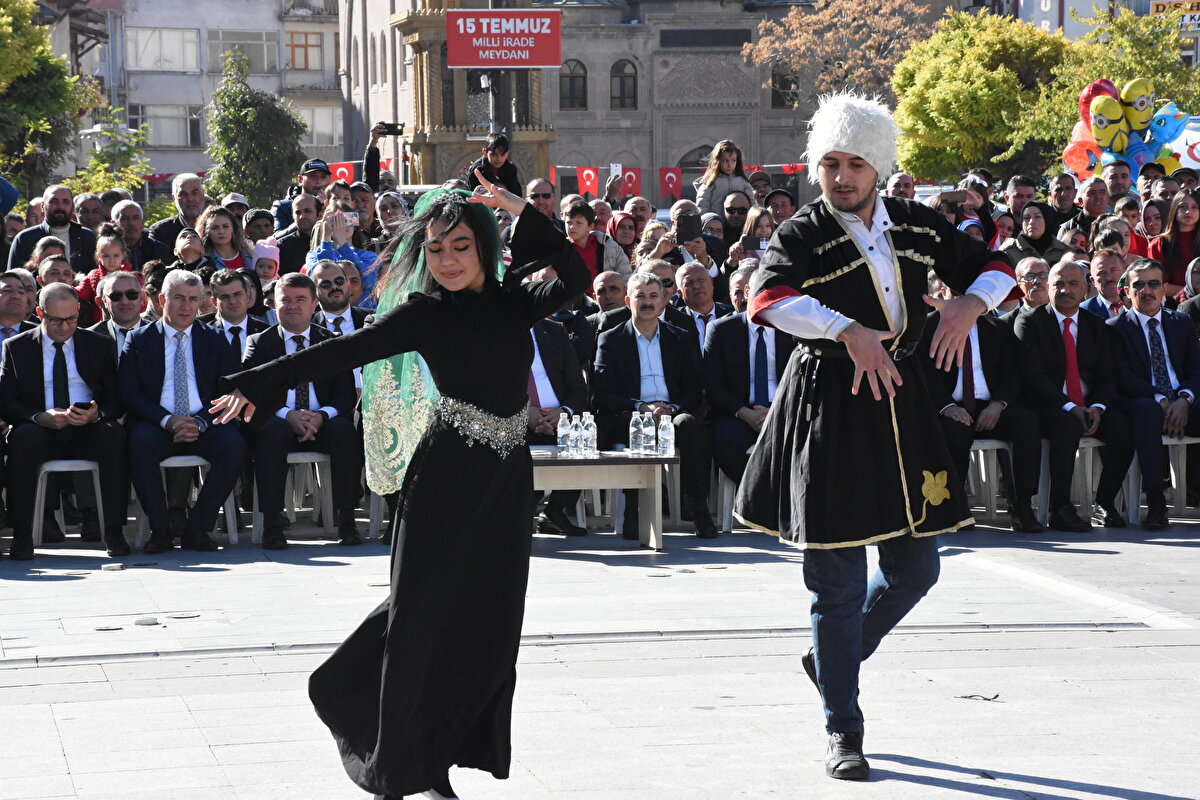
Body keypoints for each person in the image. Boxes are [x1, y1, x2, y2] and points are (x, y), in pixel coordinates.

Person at [209, 174, 588, 800]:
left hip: (505, 479)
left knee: (488, 620)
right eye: (436, 249)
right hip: (444, 477)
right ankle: (403, 766)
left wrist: (519, 206)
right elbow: (340, 353)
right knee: (419, 617)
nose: (448, 260)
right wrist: (256, 382)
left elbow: (573, 271)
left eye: (461, 245)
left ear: (484, 247)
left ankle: (420, 738)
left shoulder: (516, 299)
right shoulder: (424, 314)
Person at [731, 93, 1016, 781]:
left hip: (904, 407)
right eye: (829, 163)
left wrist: (968, 306)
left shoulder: (918, 224)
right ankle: (843, 730)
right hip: (829, 406)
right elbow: (764, 299)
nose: (841, 176)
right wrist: (847, 329)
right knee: (835, 580)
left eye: (855, 163)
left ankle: (838, 654)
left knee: (918, 569)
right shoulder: (799, 232)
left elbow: (1000, 268)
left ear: (878, 167)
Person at [119, 269, 247, 554]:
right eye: (178, 298)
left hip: (205, 420)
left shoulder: (215, 338)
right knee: (138, 444)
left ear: (202, 302)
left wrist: (200, 421)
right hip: (157, 423)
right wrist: (168, 420)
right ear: (163, 299)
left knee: (234, 445)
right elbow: (129, 393)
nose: (186, 306)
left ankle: (198, 528)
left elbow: (229, 390)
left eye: (193, 299)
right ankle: (161, 530)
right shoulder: (139, 340)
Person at [0, 283, 129, 560]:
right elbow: (7, 402)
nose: (64, 327)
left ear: (79, 312)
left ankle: (114, 532)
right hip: (41, 429)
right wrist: (39, 417)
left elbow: (118, 398)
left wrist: (97, 413)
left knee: (114, 436)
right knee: (21, 439)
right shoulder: (16, 347)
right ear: (39, 313)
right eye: (55, 320)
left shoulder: (98, 344)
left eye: (71, 319)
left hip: (87, 427)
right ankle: (22, 537)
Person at [242, 272, 362, 549]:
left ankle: (347, 522)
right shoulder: (260, 343)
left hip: (323, 419)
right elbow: (252, 393)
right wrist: (288, 415)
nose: (293, 306)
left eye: (300, 299)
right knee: (269, 433)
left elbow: (345, 395)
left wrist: (321, 416)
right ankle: (272, 525)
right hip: (279, 418)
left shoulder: (331, 342)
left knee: (345, 431)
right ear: (274, 304)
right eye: (286, 300)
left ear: (313, 304)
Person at [592, 272, 716, 539]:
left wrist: (671, 408)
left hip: (673, 412)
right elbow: (602, 394)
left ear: (663, 302)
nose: (647, 303)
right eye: (640, 296)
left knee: (691, 425)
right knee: (637, 426)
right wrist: (642, 408)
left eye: (653, 296)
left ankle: (698, 509)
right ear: (628, 301)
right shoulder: (611, 339)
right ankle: (633, 513)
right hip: (631, 414)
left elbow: (695, 388)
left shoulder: (681, 337)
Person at [1014, 260, 1134, 531]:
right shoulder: (1030, 321)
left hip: (1090, 404)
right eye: (1058, 284)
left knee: (1123, 427)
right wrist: (1070, 407)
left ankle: (1104, 502)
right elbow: (1034, 377)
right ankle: (1061, 507)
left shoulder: (1095, 325)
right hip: (1047, 404)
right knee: (1066, 425)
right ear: (1048, 286)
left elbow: (1106, 374)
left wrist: (1098, 407)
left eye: (1072, 284)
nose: (1065, 290)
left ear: (1085, 290)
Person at [920, 278, 1042, 533]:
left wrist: (998, 404)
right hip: (949, 408)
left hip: (988, 407)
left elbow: (1012, 374)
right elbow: (923, 377)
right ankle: (956, 507)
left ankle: (1023, 505)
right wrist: (947, 407)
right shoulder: (927, 328)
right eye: (959, 294)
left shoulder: (995, 328)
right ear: (943, 294)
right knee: (954, 432)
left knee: (1027, 422)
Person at [1109, 258, 1200, 531]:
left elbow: (1196, 370)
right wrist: (1160, 398)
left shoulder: (1181, 322)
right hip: (1143, 402)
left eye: (1153, 284)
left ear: (1164, 290)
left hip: (1183, 402)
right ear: (1127, 290)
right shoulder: (1115, 328)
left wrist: (1184, 399)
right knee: (1146, 411)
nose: (1146, 291)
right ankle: (1157, 505)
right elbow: (1122, 378)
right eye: (1139, 285)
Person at [703, 264, 796, 484]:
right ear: (747, 292)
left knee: (809, 440)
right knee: (727, 441)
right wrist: (747, 414)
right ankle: (757, 501)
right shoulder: (721, 330)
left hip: (784, 410)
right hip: (738, 413)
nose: (767, 297)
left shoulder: (793, 330)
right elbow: (714, 386)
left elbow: (801, 380)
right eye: (760, 290)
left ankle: (780, 503)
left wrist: (776, 412)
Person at [526, 314, 588, 537]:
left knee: (584, 441)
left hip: (560, 419)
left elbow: (578, 388)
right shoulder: (495, 332)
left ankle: (555, 510)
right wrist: (526, 413)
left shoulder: (553, 331)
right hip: (516, 418)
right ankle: (525, 510)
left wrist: (564, 412)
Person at [7, 185, 97, 273]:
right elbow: (13, 280)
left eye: (65, 202)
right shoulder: (25, 238)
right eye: (54, 201)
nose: (60, 207)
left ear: (72, 207)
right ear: (42, 206)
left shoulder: (87, 237)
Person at [200, 269, 268, 356]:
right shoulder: (204, 336)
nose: (232, 301)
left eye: (237, 294)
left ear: (248, 295)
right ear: (214, 302)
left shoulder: (265, 334)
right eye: (225, 297)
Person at [1148, 188, 1199, 295]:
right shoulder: (1159, 244)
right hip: (1171, 306)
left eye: (1194, 207)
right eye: (1182, 206)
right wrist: (1189, 294)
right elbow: (1155, 282)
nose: (1188, 211)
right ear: (1174, 209)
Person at [88, 271, 148, 363]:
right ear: (104, 301)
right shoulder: (89, 339)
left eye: (131, 294)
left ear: (142, 297)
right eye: (116, 296)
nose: (124, 301)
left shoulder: (160, 335)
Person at [1000, 201, 1070, 267]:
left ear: (1048, 219)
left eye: (1037, 217)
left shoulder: (1065, 252)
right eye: (1026, 218)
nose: (1031, 222)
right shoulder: (1009, 251)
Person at [695, 140, 754, 215]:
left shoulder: (743, 182)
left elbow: (752, 207)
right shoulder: (709, 183)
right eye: (726, 161)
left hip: (740, 224)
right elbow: (702, 209)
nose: (730, 165)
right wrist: (710, 223)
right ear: (717, 161)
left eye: (733, 160)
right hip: (717, 224)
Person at [148, 173, 208, 248]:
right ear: (174, 198)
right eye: (183, 194)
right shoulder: (160, 232)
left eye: (195, 193)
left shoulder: (216, 227)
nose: (190, 199)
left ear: (203, 194)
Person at [272, 159, 331, 232]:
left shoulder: (336, 206)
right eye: (312, 176)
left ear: (330, 180)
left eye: (323, 177)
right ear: (300, 179)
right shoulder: (282, 207)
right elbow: (276, 238)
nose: (318, 181)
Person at [113, 200, 171, 272]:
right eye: (124, 218)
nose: (131, 223)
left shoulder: (160, 250)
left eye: (136, 217)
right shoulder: (104, 250)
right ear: (113, 223)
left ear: (143, 222)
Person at [462, 132, 522, 196]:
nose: (498, 158)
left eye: (502, 154)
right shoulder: (476, 170)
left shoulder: (510, 169)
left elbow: (517, 194)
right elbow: (471, 194)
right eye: (494, 154)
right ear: (485, 152)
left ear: (507, 153)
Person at [198, 206, 255, 272]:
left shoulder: (251, 254)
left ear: (233, 228)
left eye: (225, 226)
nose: (221, 231)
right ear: (205, 232)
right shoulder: (203, 261)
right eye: (214, 228)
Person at [1080, 249, 1127, 319]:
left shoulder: (1141, 306)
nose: (1109, 277)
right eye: (1101, 273)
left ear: (1125, 273)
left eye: (1113, 270)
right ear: (1093, 281)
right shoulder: (1083, 312)